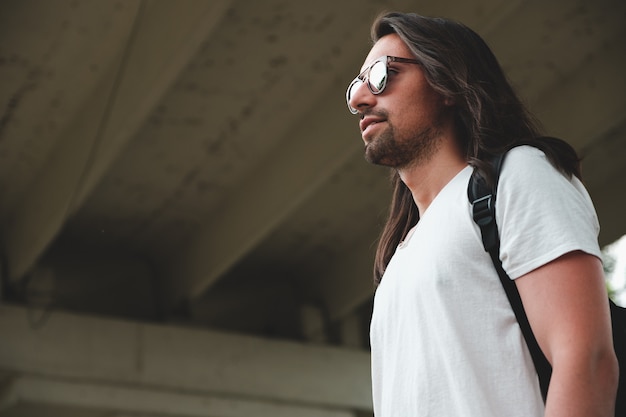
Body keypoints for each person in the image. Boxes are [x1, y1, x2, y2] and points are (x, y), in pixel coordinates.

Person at [345, 11, 619, 417]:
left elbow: (587, 360)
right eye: (357, 84)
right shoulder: (397, 261)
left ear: (446, 84)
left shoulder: (517, 175)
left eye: (382, 75)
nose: (359, 99)